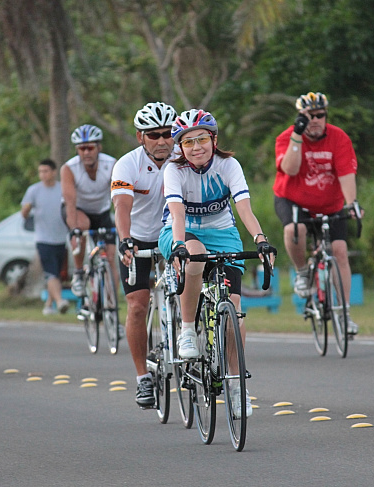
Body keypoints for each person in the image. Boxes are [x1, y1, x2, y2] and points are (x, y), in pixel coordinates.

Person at [158, 109, 276, 419]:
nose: (196, 147)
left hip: (223, 234)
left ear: (213, 139)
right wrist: (181, 246)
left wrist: (260, 240)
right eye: (188, 142)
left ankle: (237, 387)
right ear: (180, 148)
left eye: (201, 140)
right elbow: (178, 213)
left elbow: (244, 209)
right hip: (183, 231)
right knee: (195, 256)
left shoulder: (228, 166)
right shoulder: (174, 171)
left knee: (234, 315)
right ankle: (186, 329)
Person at [273, 91, 360, 335]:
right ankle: (302, 272)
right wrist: (297, 137)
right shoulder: (286, 138)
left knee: (340, 252)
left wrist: (351, 203)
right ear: (300, 116)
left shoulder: (338, 138)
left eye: (319, 115)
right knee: (294, 230)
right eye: (308, 115)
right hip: (292, 200)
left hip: (329, 205)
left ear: (326, 115)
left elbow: (346, 174)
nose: (314, 120)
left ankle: (344, 315)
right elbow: (290, 169)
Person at [112, 102, 177, 408]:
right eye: (154, 135)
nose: (163, 140)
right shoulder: (127, 165)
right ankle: (142, 379)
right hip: (136, 239)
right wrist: (125, 240)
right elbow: (122, 206)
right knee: (138, 306)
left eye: (168, 133)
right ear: (141, 137)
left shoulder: (183, 158)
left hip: (172, 236)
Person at [61, 124, 119, 297]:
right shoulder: (69, 168)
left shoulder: (112, 164)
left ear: (98, 148)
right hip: (77, 211)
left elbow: (119, 195)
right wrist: (75, 230)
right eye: (82, 148)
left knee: (110, 257)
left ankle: (111, 308)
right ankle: (78, 272)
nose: (86, 152)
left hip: (101, 212)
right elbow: (70, 202)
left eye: (90, 148)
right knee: (82, 227)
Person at [21, 158, 70, 315]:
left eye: (46, 171)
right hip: (43, 239)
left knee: (57, 274)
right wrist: (27, 210)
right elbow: (24, 213)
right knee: (51, 272)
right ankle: (60, 302)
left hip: (61, 238)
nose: (43, 174)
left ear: (54, 172)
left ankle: (48, 306)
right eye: (40, 171)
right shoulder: (34, 190)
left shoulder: (63, 188)